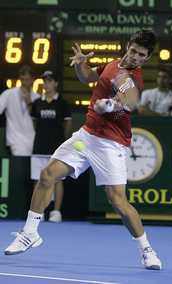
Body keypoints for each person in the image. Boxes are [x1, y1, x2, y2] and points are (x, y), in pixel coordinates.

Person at [4, 30, 162, 270]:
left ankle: (146, 250)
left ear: (146, 59)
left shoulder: (132, 78)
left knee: (117, 201)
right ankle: (29, 233)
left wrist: (109, 105)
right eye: (133, 51)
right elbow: (86, 77)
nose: (135, 58)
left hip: (112, 144)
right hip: (86, 136)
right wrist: (81, 64)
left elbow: (128, 103)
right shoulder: (111, 65)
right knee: (47, 175)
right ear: (128, 46)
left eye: (141, 55)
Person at [31, 70, 72, 222]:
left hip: (57, 149)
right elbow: (35, 123)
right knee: (38, 179)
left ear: (55, 83)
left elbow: (67, 124)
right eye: (45, 81)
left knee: (57, 180)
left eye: (49, 81)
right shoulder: (37, 103)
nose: (46, 84)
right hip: (39, 147)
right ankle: (38, 212)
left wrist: (61, 141)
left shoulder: (62, 103)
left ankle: (56, 212)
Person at [0, 65, 39, 156]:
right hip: (15, 140)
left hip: (33, 140)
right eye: (22, 79)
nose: (25, 82)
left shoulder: (37, 98)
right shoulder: (8, 94)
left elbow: (38, 120)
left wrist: (29, 102)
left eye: (27, 79)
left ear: (32, 80)